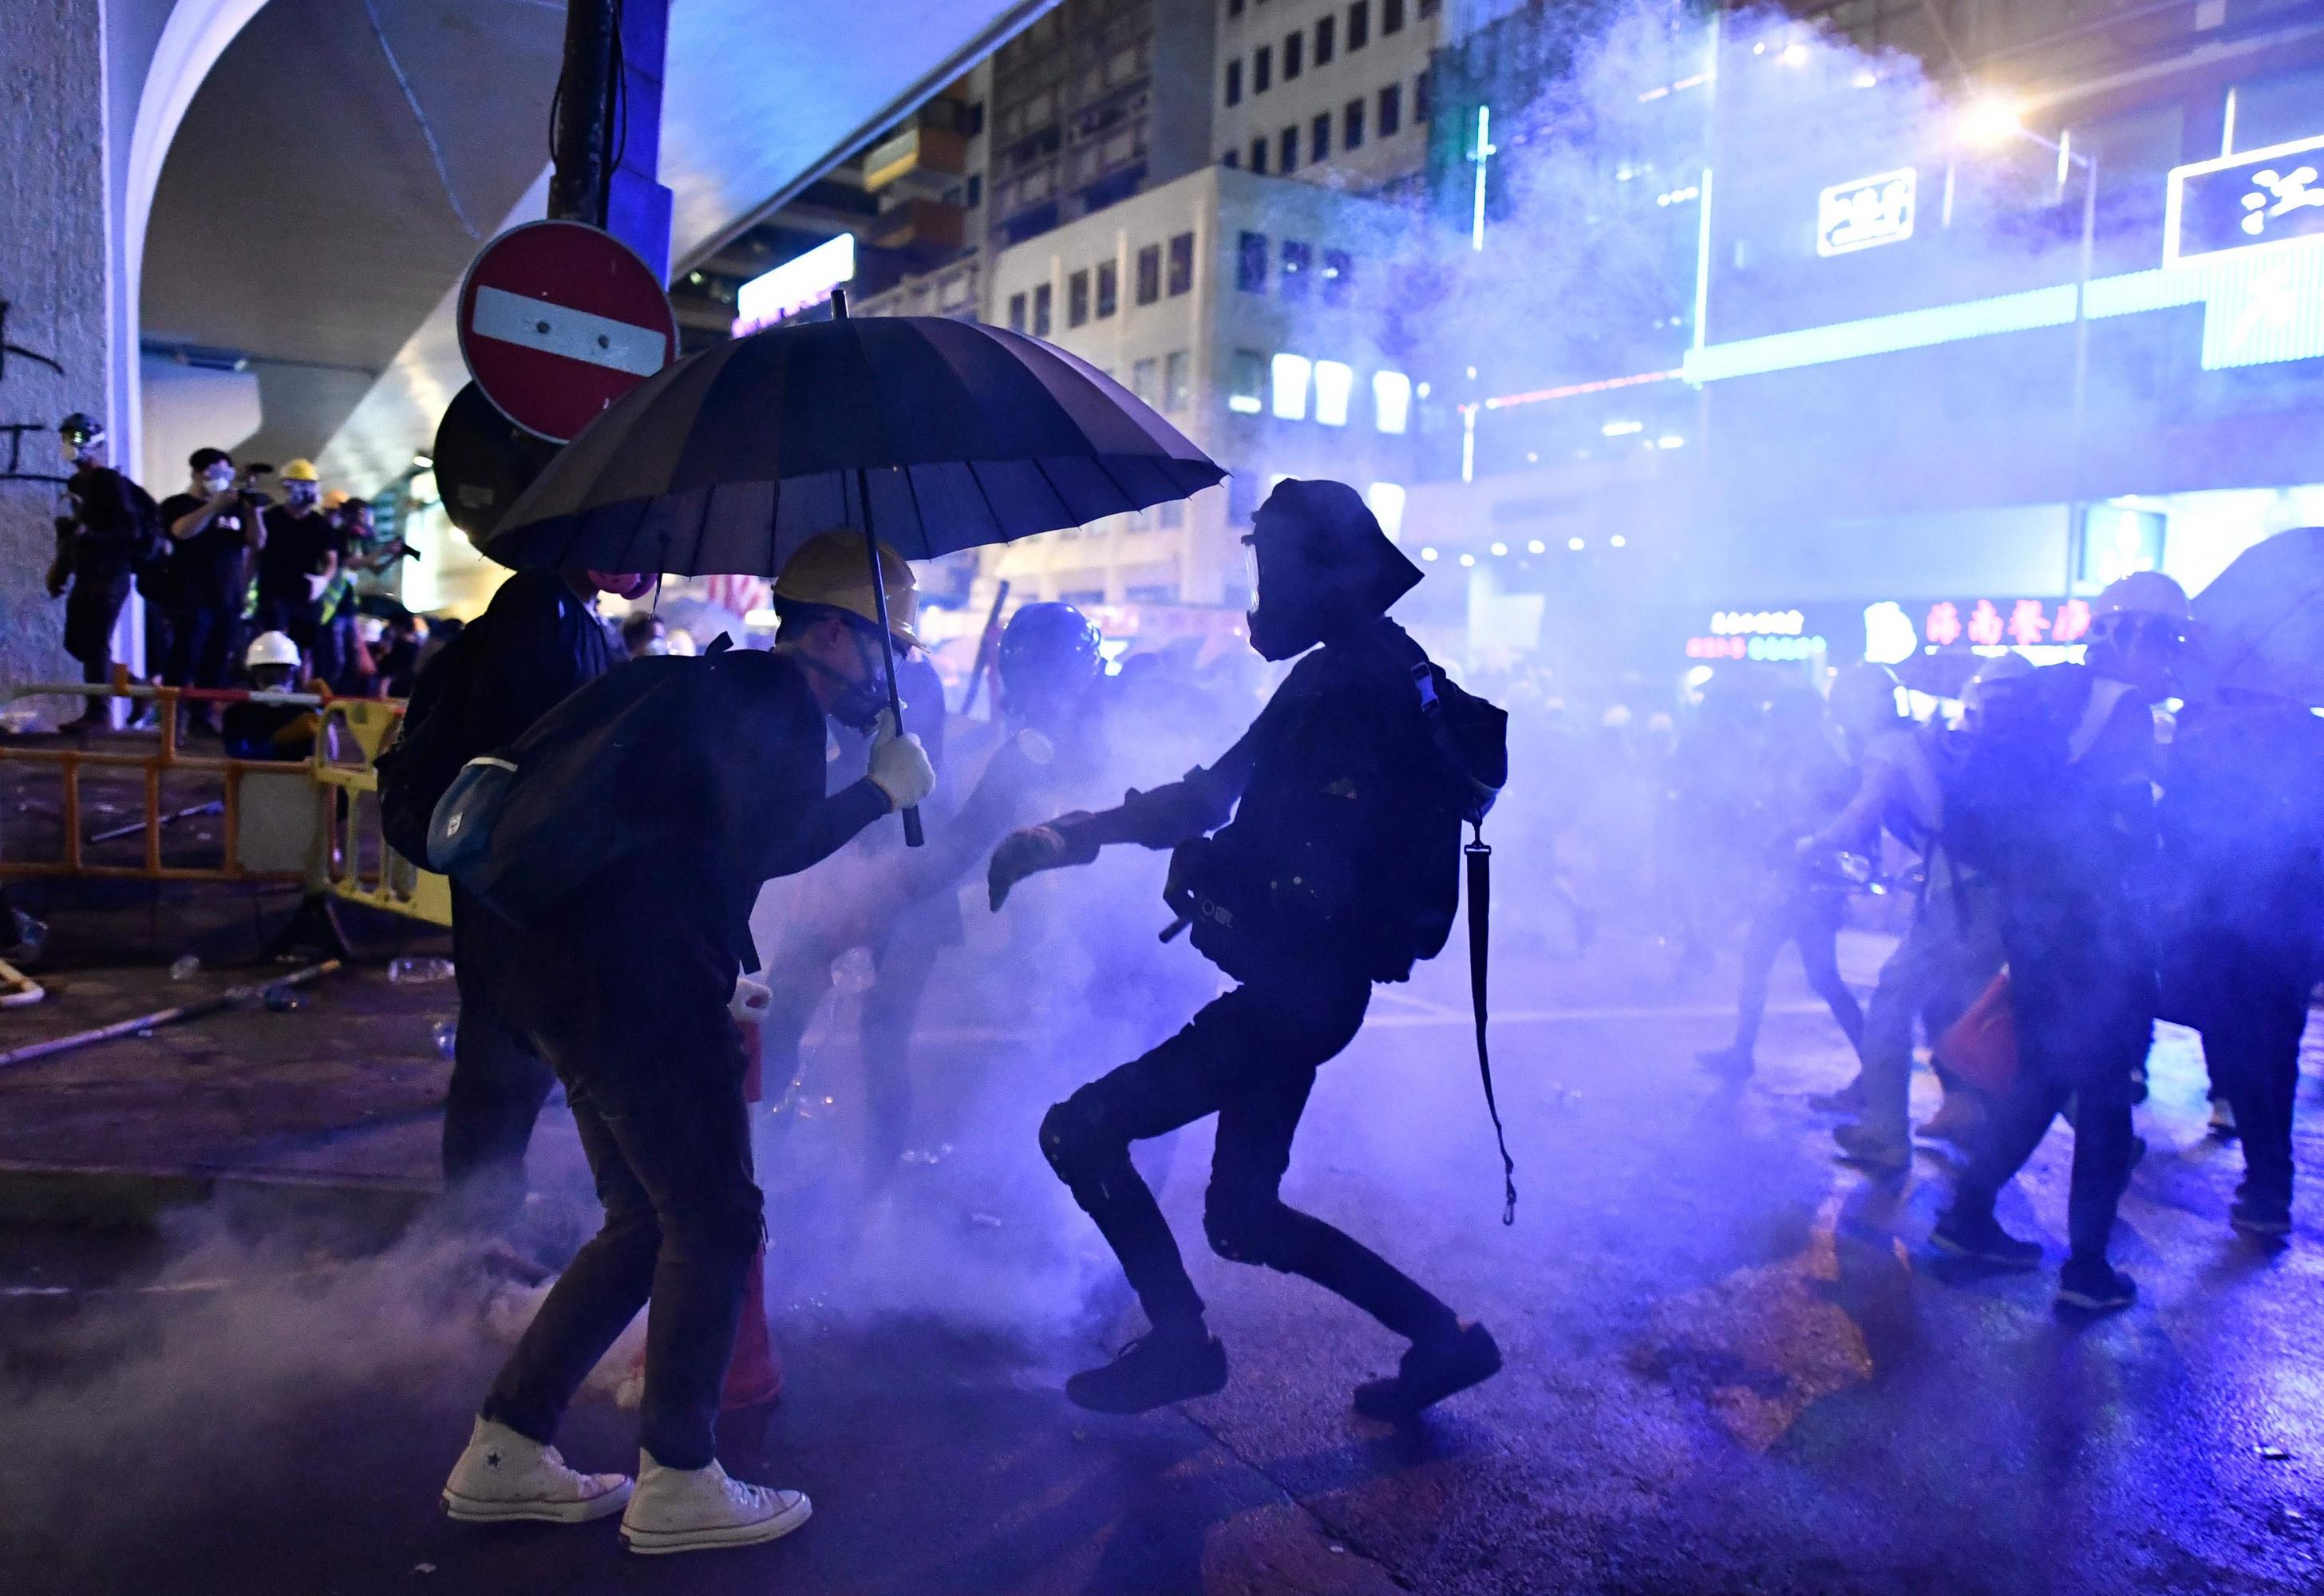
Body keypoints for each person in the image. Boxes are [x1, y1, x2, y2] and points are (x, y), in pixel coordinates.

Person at [441, 536, 935, 1555]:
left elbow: (699, 852)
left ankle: (506, 1446)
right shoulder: (779, 704)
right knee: (713, 1219)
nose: (892, 673)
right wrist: (882, 790)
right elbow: (770, 843)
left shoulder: (717, 686)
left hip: (559, 982)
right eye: (885, 649)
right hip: (636, 993)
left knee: (639, 1221)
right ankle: (679, 1474)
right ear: (833, 634)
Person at [988, 479, 1507, 1420]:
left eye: (1270, 567)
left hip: (1292, 996)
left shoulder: (1345, 683)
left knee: (1079, 1129)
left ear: (1329, 576)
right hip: (1312, 990)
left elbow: (1214, 802)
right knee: (1243, 1216)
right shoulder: (1387, 668)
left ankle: (1180, 1342)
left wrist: (1075, 835)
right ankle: (1441, 1340)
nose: (1258, 593)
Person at [1932, 572, 2188, 1314]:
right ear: (2123, 634)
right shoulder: (2123, 713)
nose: (2170, 656)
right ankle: (2087, 1270)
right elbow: (2125, 835)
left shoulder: (2055, 697)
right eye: (2163, 638)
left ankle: (1967, 1217)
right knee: (2107, 1099)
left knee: (2042, 1080)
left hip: (2039, 925)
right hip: (2096, 939)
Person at [437, 567, 634, 1235]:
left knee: (519, 1058)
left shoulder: (582, 618)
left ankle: (485, 1227)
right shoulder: (537, 607)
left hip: (542, 876)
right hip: (513, 875)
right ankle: (472, 1242)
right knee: (501, 1057)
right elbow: (528, 745)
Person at [1828, 657, 2027, 1172]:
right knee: (1968, 1009)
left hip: (1962, 891)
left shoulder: (1885, 747)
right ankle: (1973, 1110)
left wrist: (1807, 845)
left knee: (1894, 998)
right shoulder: (1920, 737)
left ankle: (1888, 1134)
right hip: (1983, 886)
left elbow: (1859, 817)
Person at [2160, 684, 2324, 1238]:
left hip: (2228, 923)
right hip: (2294, 923)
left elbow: (2177, 830)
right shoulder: (2311, 735)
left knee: (2246, 1049)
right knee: (2276, 1052)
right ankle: (2270, 1185)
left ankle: (2266, 1180)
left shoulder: (2207, 736)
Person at [1694, 681, 1867, 1079]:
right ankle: (1741, 1052)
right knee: (1758, 962)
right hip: (1789, 877)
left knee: (1823, 977)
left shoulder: (1823, 757)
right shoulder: (1789, 754)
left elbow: (1834, 814)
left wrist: (1790, 830)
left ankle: (1874, 1066)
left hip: (1813, 882)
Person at [45, 413, 148, 731]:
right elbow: (75, 529)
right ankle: (133, 686)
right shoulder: (77, 483)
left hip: (111, 572)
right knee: (76, 642)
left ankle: (99, 712)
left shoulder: (109, 481)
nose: (68, 445)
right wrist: (60, 569)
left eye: (74, 439)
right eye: (65, 438)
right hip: (86, 571)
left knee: (95, 641)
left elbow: (131, 530)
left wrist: (93, 537)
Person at [155, 449, 263, 735]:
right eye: (216, 473)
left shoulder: (235, 509)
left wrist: (254, 511)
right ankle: (171, 719)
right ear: (197, 473)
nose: (222, 480)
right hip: (191, 595)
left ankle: (201, 717)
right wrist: (214, 506)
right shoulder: (178, 504)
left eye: (228, 474)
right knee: (183, 658)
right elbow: (181, 532)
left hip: (227, 597)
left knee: (216, 662)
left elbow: (256, 542)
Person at [254, 460, 341, 666]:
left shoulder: (320, 524)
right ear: (286, 486)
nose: (305, 490)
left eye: (309, 484)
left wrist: (322, 582)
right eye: (298, 483)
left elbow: (332, 561)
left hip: (306, 592)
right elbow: (254, 551)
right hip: (273, 589)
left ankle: (303, 689)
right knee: (275, 640)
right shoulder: (270, 518)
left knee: (306, 645)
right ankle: (273, 683)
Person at [220, 632, 320, 760]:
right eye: (267, 676)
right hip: (256, 780)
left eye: (283, 674)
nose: (276, 681)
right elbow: (239, 758)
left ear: (294, 675)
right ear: (253, 676)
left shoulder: (305, 713)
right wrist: (277, 741)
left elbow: (328, 759)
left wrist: (324, 713)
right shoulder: (236, 715)